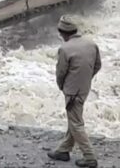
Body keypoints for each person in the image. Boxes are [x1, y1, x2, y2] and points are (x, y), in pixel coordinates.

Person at [47, 15, 102, 167]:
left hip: (72, 91)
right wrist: (86, 78)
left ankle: (89, 156)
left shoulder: (65, 49)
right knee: (74, 118)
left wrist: (62, 86)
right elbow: (98, 65)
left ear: (62, 33)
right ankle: (63, 150)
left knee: (76, 123)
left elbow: (60, 73)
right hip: (84, 88)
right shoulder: (91, 43)